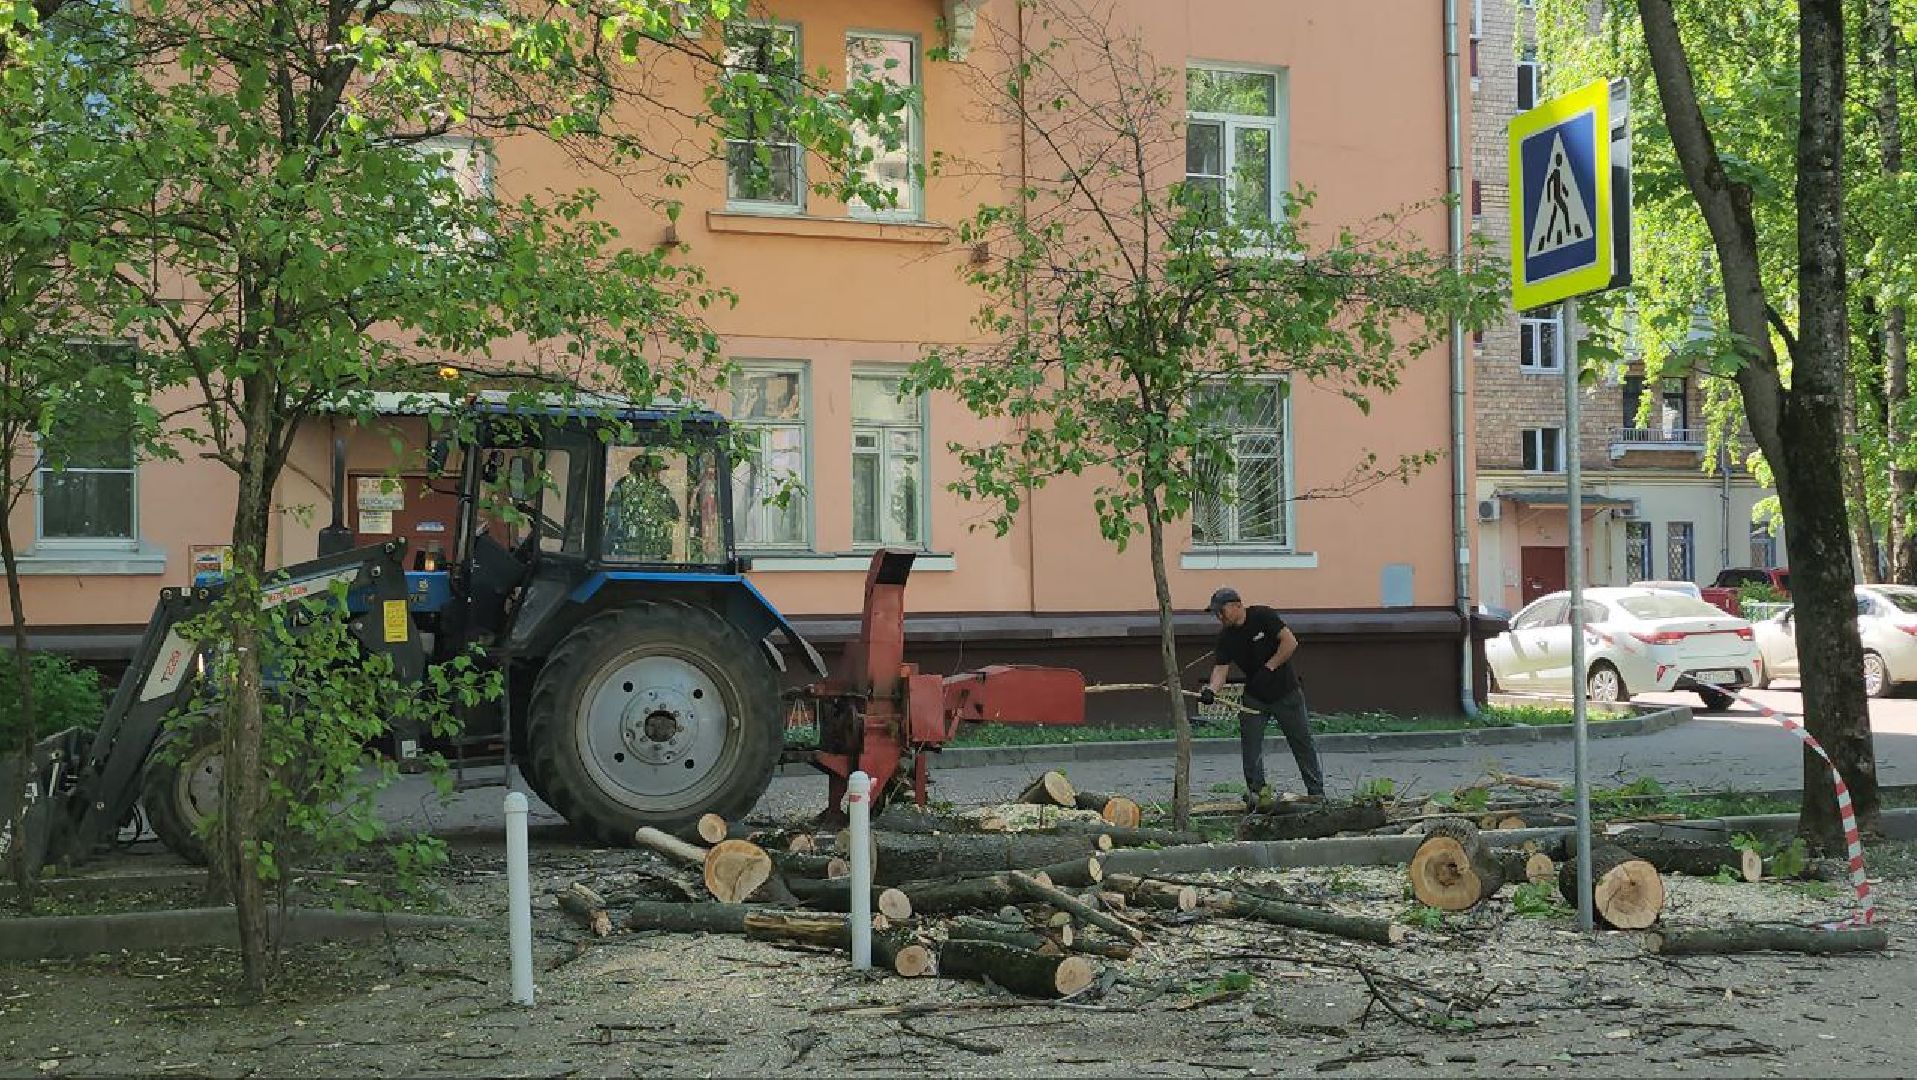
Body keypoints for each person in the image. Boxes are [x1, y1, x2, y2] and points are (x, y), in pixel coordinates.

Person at [1198, 586, 1326, 810]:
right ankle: (1258, 797)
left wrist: (1270, 667)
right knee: (1251, 747)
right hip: (1255, 697)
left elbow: (1290, 642)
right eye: (1215, 613)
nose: (1219, 616)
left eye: (1221, 611)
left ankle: (1317, 795)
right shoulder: (1226, 637)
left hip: (1286, 692)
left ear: (1237, 605)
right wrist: (1211, 690)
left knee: (1302, 742)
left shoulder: (1262, 616)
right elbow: (1220, 669)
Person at [603, 452, 680, 561]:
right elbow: (675, 516)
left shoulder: (622, 485)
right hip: (653, 552)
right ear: (646, 471)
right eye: (656, 471)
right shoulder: (660, 490)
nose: (658, 475)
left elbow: (611, 516)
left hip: (626, 551)